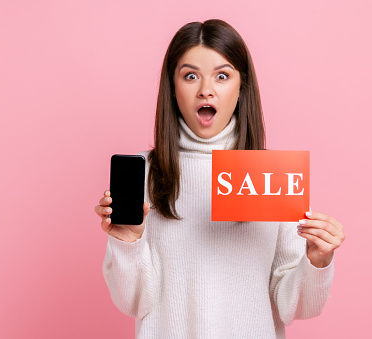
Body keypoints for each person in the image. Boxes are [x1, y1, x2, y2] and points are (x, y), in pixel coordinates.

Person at [94, 19, 345, 339]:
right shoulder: (142, 174)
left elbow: (295, 308)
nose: (205, 89)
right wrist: (127, 243)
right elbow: (132, 302)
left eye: (222, 76)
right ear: (172, 87)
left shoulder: (273, 176)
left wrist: (317, 259)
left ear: (242, 87)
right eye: (190, 76)